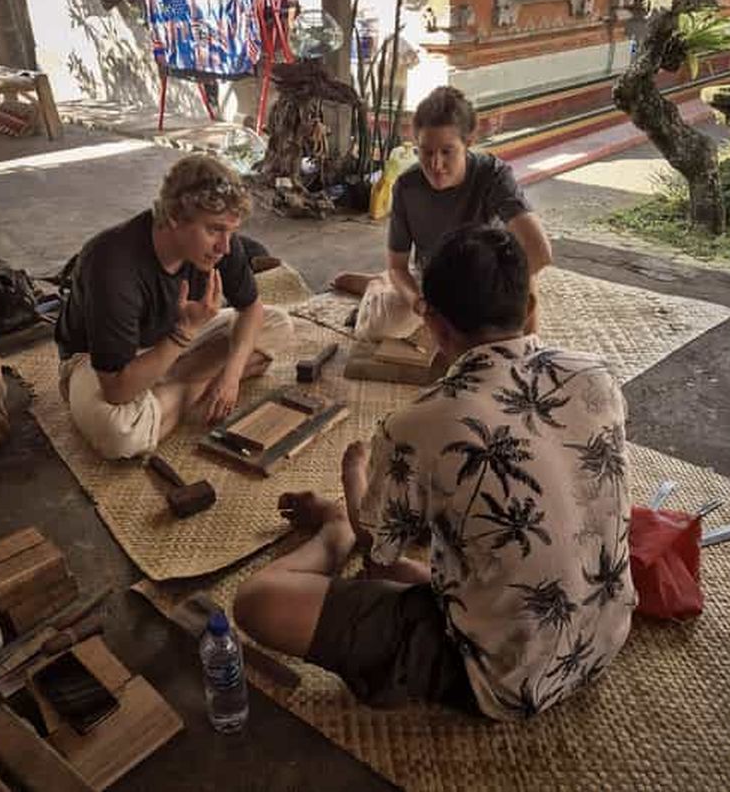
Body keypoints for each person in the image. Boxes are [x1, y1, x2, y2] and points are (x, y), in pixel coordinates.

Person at [235, 226, 634, 720]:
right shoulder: (596, 373)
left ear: (435, 326)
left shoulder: (421, 422)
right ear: (528, 305)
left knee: (257, 601)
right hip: (604, 639)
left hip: (508, 679)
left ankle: (330, 534)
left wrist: (351, 477)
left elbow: (380, 557)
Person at [54, 154, 293, 459]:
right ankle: (189, 388)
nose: (225, 246)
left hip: (175, 334)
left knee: (278, 324)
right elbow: (116, 389)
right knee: (120, 433)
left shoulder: (222, 245)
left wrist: (231, 376)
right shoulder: (111, 264)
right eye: (214, 230)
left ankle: (169, 389)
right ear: (174, 217)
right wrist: (185, 333)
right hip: (95, 361)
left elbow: (251, 309)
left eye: (231, 231)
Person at [333, 85, 552, 339]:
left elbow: (540, 252)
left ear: (468, 143)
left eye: (447, 151)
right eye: (426, 152)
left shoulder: (493, 176)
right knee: (381, 327)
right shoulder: (407, 186)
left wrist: (493, 296)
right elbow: (398, 266)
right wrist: (417, 302)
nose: (436, 164)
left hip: (486, 278)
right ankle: (377, 285)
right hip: (435, 281)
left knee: (523, 332)